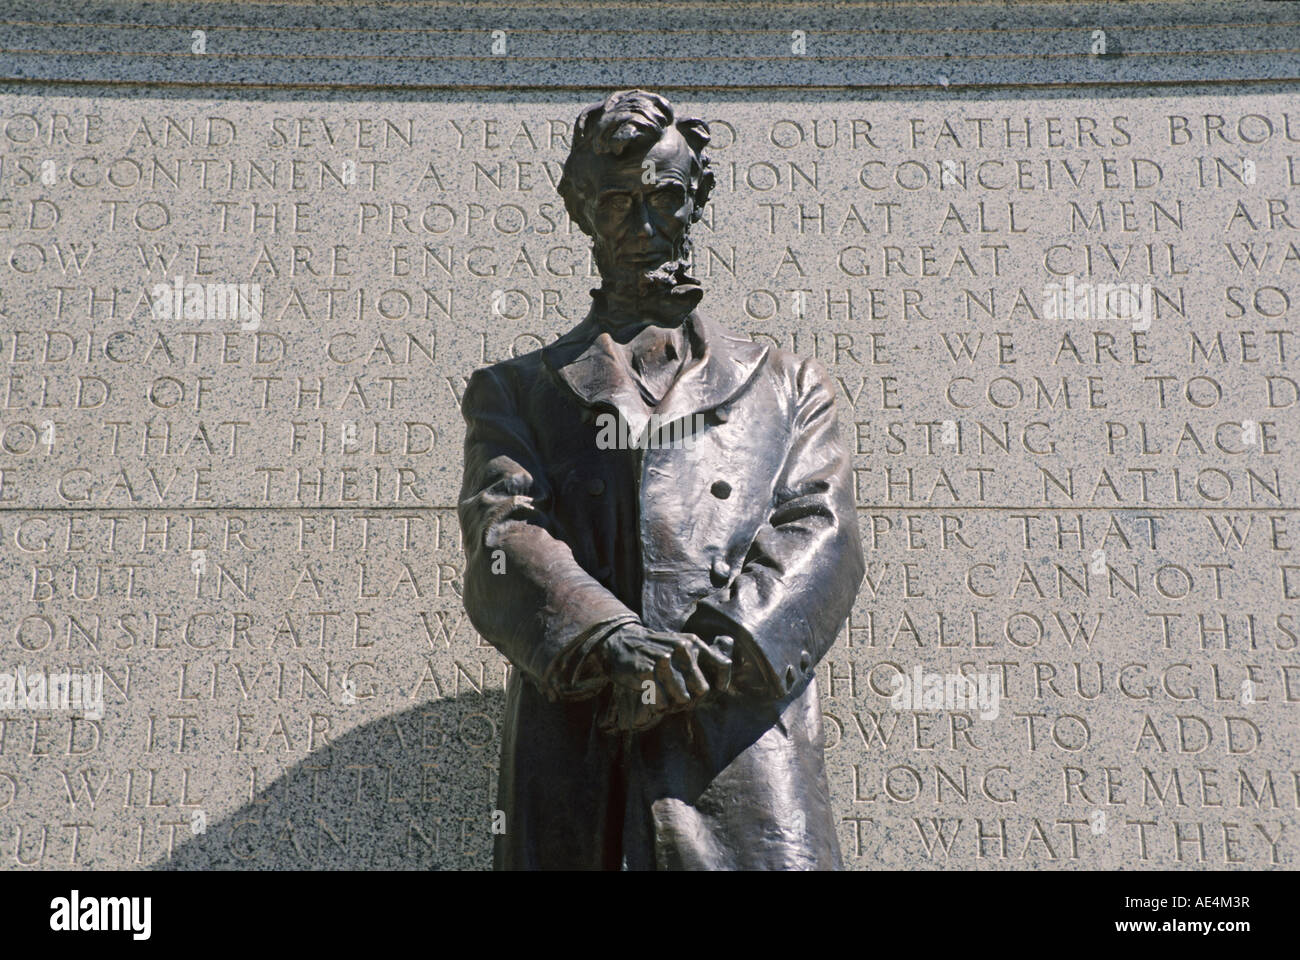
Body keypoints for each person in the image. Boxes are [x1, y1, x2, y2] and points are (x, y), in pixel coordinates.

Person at [458, 89, 865, 869]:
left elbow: (821, 532)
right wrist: (613, 640)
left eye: (667, 197)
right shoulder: (515, 390)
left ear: (697, 201)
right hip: (583, 740)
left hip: (736, 737)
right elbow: (502, 533)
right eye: (617, 202)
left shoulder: (786, 385)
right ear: (580, 209)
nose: (644, 227)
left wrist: (709, 651)